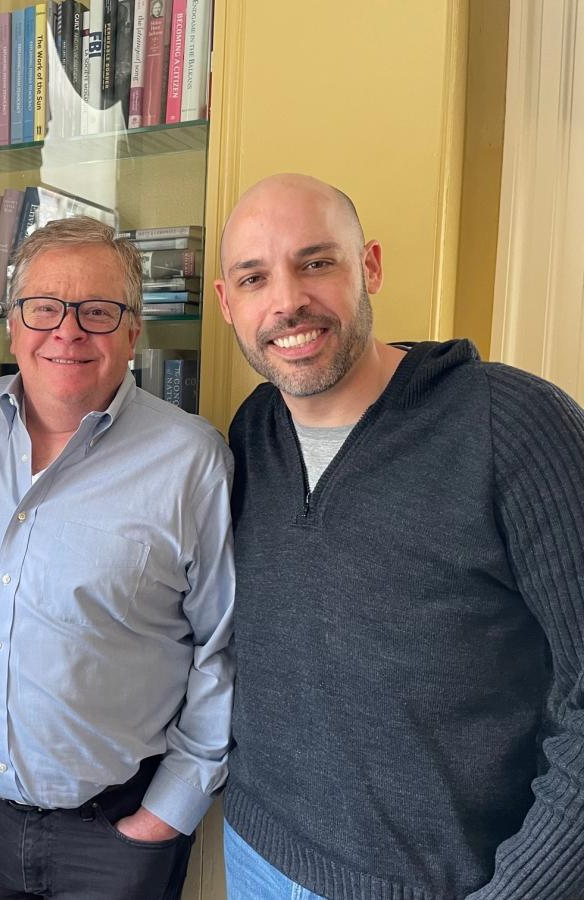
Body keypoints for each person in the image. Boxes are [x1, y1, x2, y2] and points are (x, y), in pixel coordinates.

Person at [213, 173, 584, 899]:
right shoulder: (253, 431)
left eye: (316, 262)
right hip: (257, 853)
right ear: (229, 304)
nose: (287, 300)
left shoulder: (512, 426)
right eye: (255, 277)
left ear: (370, 266)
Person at [0, 216, 235, 899]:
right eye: (44, 308)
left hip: (116, 839)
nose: (66, 331)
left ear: (132, 330)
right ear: (12, 324)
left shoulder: (191, 459)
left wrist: (167, 813)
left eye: (96, 311)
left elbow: (224, 646)